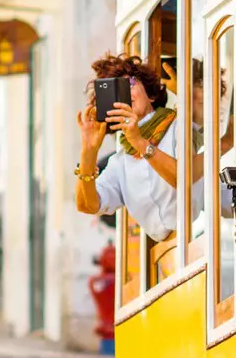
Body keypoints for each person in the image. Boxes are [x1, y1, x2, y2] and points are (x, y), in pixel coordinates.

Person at [75, 53, 180, 240]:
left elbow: (187, 181)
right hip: (169, 259)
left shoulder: (179, 127)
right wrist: (88, 152)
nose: (123, 95)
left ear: (152, 94)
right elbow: (87, 205)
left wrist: (140, 142)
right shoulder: (120, 161)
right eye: (114, 91)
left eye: (129, 84)